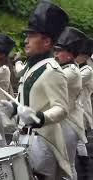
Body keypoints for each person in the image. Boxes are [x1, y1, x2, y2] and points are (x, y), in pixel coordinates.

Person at [0, 1, 72, 179]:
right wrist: (15, 109)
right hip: (23, 137)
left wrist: (40, 117)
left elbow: (62, 109)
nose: (25, 40)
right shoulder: (32, 67)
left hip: (42, 141)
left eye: (31, 36)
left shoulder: (52, 70)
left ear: (47, 41)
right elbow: (30, 102)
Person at [54, 26, 87, 180]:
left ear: (70, 54)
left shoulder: (72, 71)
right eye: (55, 50)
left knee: (67, 166)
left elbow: (52, 81)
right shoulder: (65, 68)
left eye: (59, 51)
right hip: (59, 122)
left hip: (68, 123)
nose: (55, 54)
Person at [76, 38, 93, 180]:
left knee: (81, 140)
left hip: (81, 110)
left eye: (80, 54)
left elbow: (73, 81)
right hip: (74, 110)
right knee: (79, 141)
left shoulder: (88, 70)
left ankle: (86, 171)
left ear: (86, 56)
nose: (77, 56)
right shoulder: (77, 68)